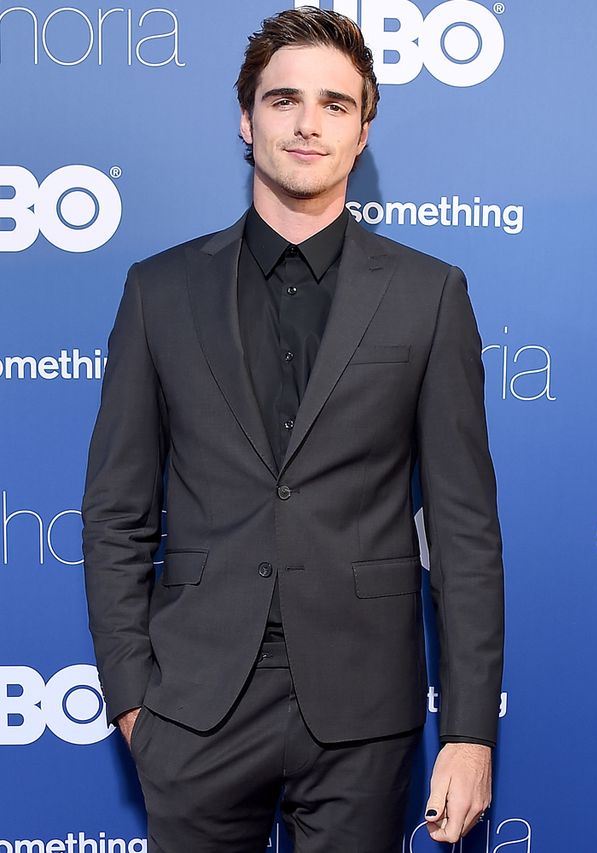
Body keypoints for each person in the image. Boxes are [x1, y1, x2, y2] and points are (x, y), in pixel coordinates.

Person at [81, 8, 503, 851]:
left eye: (335, 105)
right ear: (247, 119)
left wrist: (468, 731)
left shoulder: (429, 294)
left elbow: (462, 530)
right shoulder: (158, 291)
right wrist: (134, 700)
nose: (308, 123)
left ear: (362, 130)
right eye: (284, 100)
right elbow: (116, 512)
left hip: (364, 711)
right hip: (193, 708)